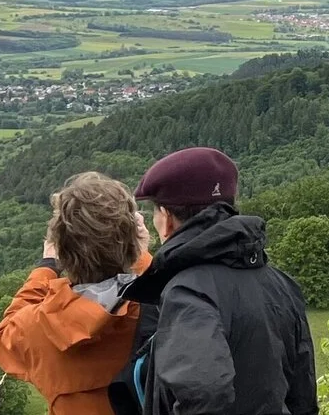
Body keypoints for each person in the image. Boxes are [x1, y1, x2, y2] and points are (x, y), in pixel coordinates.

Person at [110, 147, 317, 415]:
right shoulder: (281, 284)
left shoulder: (188, 291)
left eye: (155, 214)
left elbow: (203, 394)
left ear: (167, 220)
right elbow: (303, 397)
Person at [0, 172, 153, 415]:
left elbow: (2, 338)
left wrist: (46, 267)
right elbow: (157, 291)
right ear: (133, 240)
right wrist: (141, 258)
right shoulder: (164, 309)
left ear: (62, 251)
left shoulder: (39, 329)